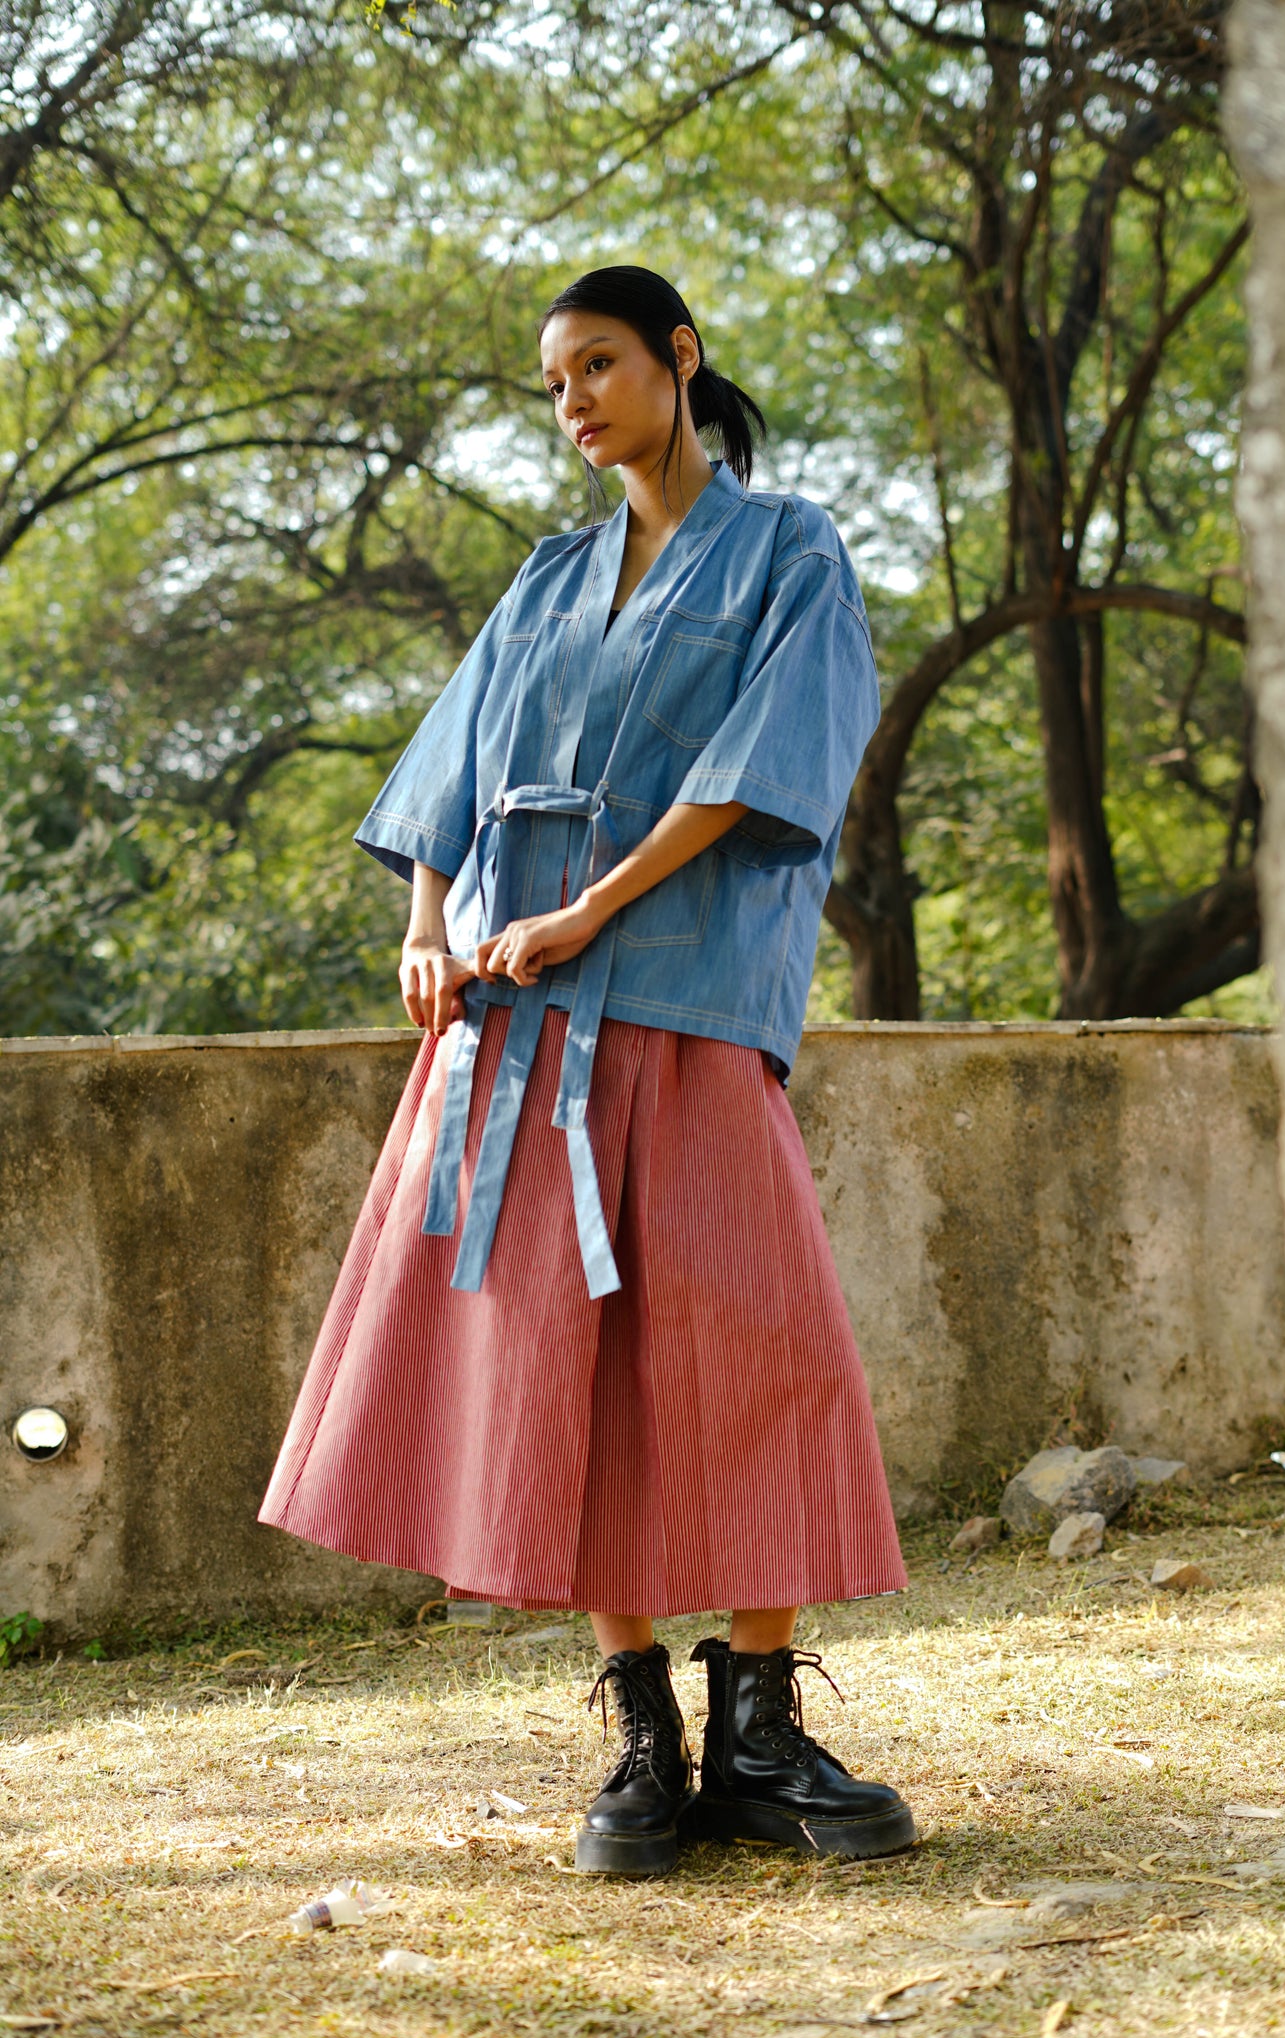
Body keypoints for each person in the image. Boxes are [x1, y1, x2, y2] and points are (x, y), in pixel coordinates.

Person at [259, 264, 913, 1878]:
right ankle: (641, 1726)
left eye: (601, 364)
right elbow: (448, 776)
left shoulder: (790, 549)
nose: (575, 401)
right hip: (512, 1020)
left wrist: (592, 910)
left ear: (679, 359)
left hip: (685, 1003)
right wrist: (432, 927)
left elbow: (765, 769)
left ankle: (760, 1723)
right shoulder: (543, 578)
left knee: (764, 1341)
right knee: (564, 1359)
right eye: (553, 382)